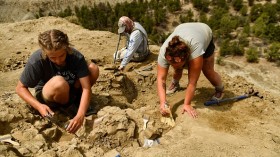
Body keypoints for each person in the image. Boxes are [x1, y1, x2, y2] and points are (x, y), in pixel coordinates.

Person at [16, 29, 99, 134]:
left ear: (67, 48)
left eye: (61, 55)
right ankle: (66, 108)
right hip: (49, 93)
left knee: (93, 69)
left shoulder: (76, 57)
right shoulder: (37, 60)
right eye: (53, 58)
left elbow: (86, 88)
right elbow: (20, 88)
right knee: (59, 82)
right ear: (45, 52)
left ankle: (76, 103)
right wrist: (39, 106)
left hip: (71, 89)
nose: (58, 60)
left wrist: (80, 114)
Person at [157, 23, 224, 118]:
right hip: (183, 27)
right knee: (177, 68)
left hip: (203, 32)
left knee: (207, 70)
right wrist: (163, 102)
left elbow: (192, 82)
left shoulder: (195, 50)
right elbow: (161, 79)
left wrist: (187, 104)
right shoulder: (164, 52)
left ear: (187, 59)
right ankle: (175, 83)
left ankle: (220, 89)